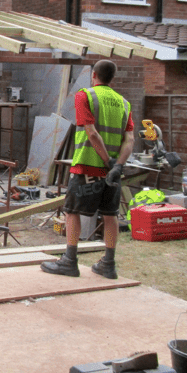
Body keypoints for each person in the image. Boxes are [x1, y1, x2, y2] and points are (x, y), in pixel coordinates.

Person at [41, 59, 135, 279]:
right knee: (110, 215)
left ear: (94, 75)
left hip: (87, 167)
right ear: (112, 78)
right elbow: (129, 139)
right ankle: (108, 265)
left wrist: (105, 161)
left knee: (72, 211)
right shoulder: (124, 103)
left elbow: (91, 133)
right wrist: (117, 165)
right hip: (113, 173)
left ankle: (69, 261)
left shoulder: (85, 95)